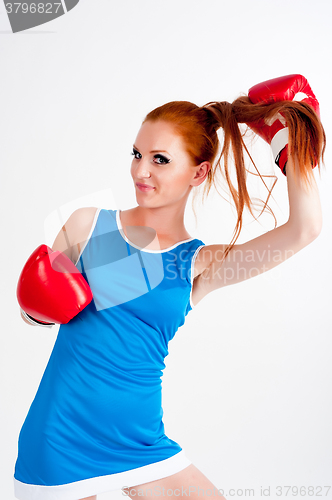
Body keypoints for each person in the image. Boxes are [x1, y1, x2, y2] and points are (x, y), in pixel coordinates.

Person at [15, 75, 326, 500]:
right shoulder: (88, 225)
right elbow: (36, 315)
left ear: (198, 173)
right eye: (137, 154)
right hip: (59, 443)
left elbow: (305, 229)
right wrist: (35, 308)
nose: (141, 171)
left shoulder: (198, 262)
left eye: (160, 160)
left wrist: (293, 146)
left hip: (143, 447)